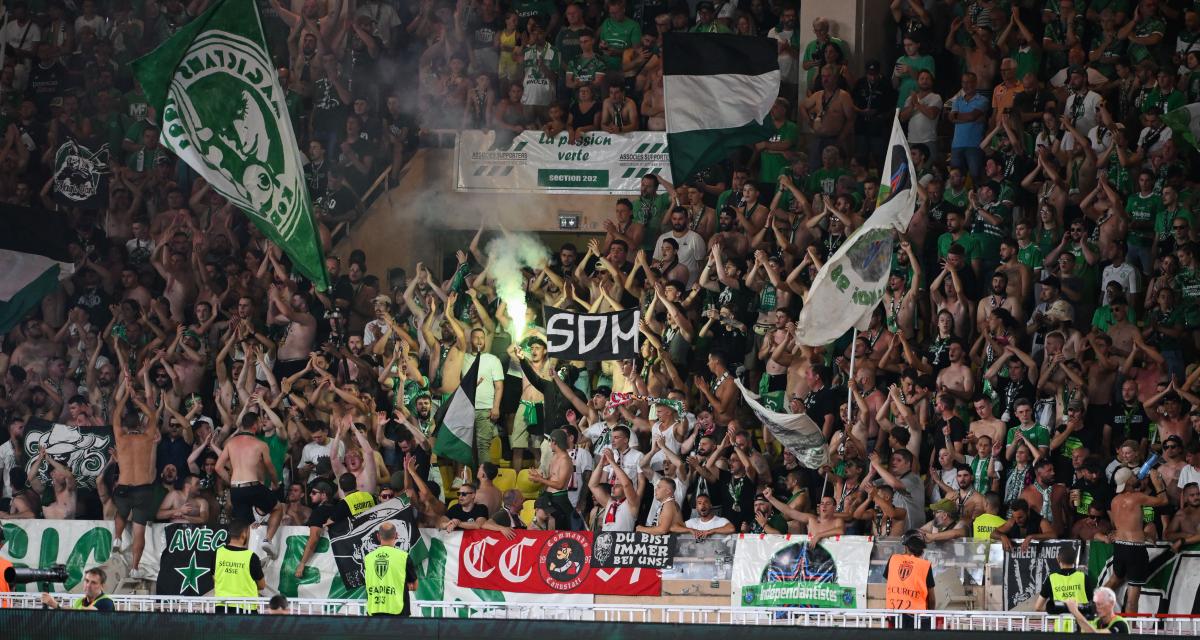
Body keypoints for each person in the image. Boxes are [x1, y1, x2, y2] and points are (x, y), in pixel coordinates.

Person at [363, 522, 418, 616]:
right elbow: (415, 585)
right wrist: (400, 586)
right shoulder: (403, 557)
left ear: (378, 536)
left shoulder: (368, 558)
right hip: (398, 613)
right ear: (396, 535)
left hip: (374, 612)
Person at [213, 520, 266, 614]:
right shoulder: (251, 557)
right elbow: (262, 585)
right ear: (244, 534)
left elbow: (214, 577)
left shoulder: (218, 553)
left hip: (221, 606)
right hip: (246, 608)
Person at [884, 530, 935, 626]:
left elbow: (890, 584)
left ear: (905, 546)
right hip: (918, 618)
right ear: (922, 548)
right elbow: (932, 598)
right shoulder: (925, 565)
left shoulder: (893, 559)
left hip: (894, 614)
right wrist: (931, 614)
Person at [1036, 546, 1095, 618]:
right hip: (1081, 625)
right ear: (1075, 560)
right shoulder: (1084, 577)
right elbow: (1092, 604)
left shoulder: (1051, 579)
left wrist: (1054, 610)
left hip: (1060, 626)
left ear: (1058, 559)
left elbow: (1038, 607)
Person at [39, 567, 114, 611]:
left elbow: (85, 613)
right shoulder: (78, 601)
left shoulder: (106, 602)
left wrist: (56, 605)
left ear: (102, 586)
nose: (88, 585)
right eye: (87, 581)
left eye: (93, 583)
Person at [1065, 587, 1130, 633]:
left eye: (1100, 604)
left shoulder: (1121, 624)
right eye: (1095, 604)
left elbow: (1095, 636)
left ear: (1111, 603)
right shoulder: (1095, 622)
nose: (1096, 608)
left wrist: (1075, 612)